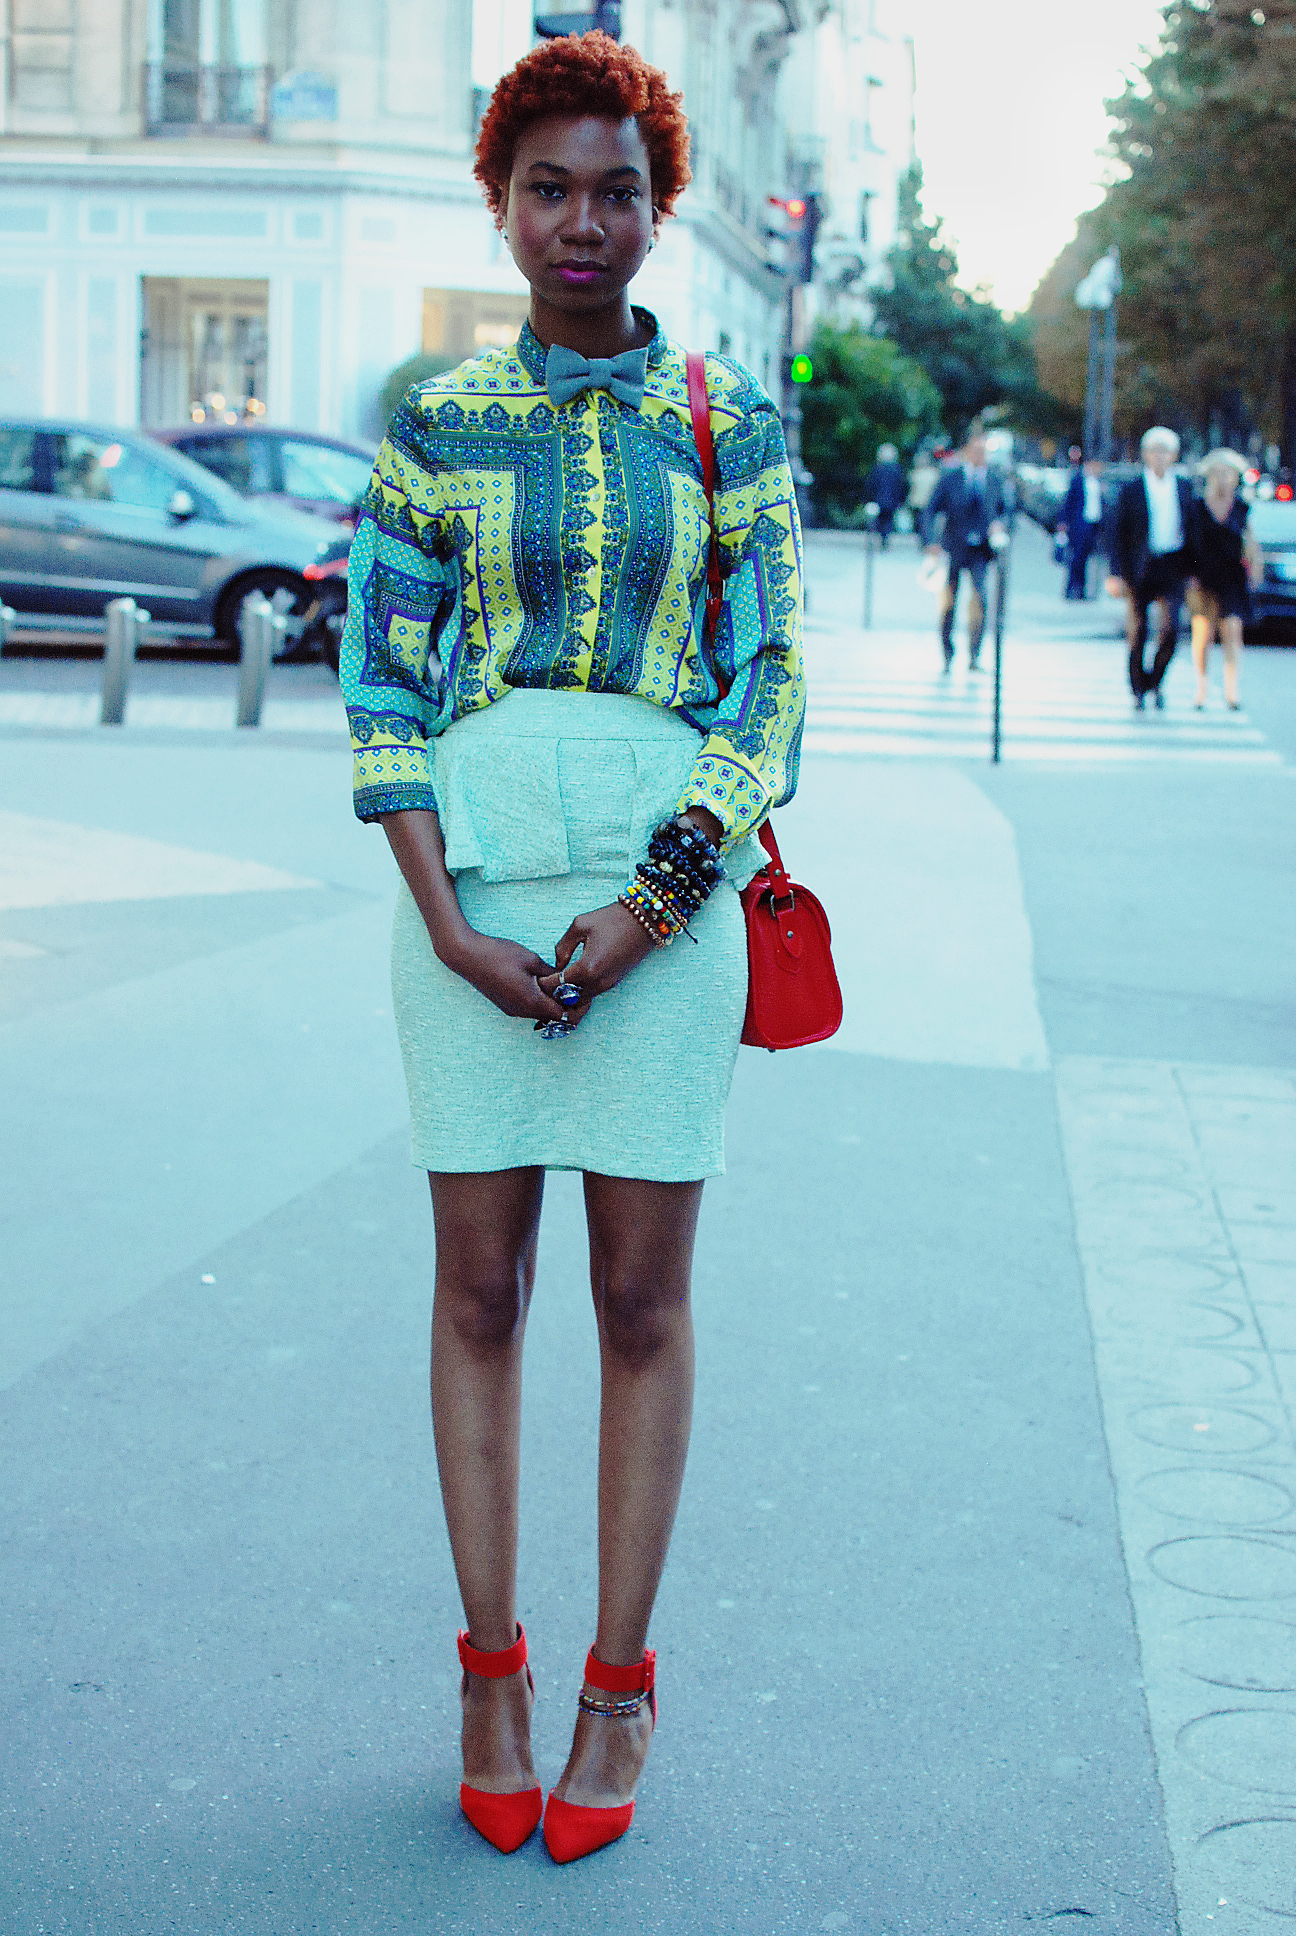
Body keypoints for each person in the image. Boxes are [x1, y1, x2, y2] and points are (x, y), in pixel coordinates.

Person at [339, 31, 804, 1867]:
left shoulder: (728, 417)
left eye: (617, 190)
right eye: (549, 189)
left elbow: (769, 684)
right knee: (476, 1293)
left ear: (659, 208)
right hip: (468, 899)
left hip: (663, 909)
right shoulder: (436, 420)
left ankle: (618, 1684)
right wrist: (448, 923)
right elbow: (381, 674)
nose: (582, 222)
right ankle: (489, 1673)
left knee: (638, 1301)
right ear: (502, 203)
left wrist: (656, 902)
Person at [1108, 426, 1194, 710]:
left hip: (1172, 565)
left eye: (1165, 451)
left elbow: (1192, 531)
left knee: (1171, 629)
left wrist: (1193, 571)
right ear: (1145, 454)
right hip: (1140, 566)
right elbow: (1117, 533)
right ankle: (1137, 687)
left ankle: (1156, 681)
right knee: (1139, 630)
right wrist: (1116, 573)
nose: (1159, 457)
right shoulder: (1132, 489)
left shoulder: (1183, 487)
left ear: (1173, 455)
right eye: (1154, 451)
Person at [922, 423, 1011, 669]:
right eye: (976, 451)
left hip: (980, 550)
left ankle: (974, 654)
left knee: (980, 600)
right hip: (953, 547)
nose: (979, 456)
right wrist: (931, 542)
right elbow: (930, 509)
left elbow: (1007, 511)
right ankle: (947, 652)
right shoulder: (951, 478)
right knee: (948, 603)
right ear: (967, 452)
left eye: (983, 452)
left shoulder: (994, 480)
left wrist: (999, 525)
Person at [1186, 449, 1263, 710]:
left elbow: (1249, 540)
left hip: (1232, 577)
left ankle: (1232, 690)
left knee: (1232, 630)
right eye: (1217, 473)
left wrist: (1254, 566)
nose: (1222, 478)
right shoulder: (1197, 506)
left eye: (1228, 473)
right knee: (1203, 633)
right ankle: (1201, 687)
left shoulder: (1241, 508)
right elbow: (1190, 542)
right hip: (1203, 576)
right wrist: (1190, 574)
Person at [1056, 455, 1105, 600]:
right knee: (1076, 558)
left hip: (1093, 523)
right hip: (1079, 524)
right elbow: (1068, 502)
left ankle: (1082, 589)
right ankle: (1071, 589)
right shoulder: (1078, 480)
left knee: (1085, 558)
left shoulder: (1098, 482)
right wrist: (1063, 522)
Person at [866, 442, 907, 547]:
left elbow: (871, 485)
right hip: (892, 500)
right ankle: (885, 539)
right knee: (888, 520)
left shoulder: (877, 469)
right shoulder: (897, 469)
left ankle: (878, 537)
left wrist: (870, 498)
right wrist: (901, 500)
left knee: (879, 520)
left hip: (878, 499)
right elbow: (901, 486)